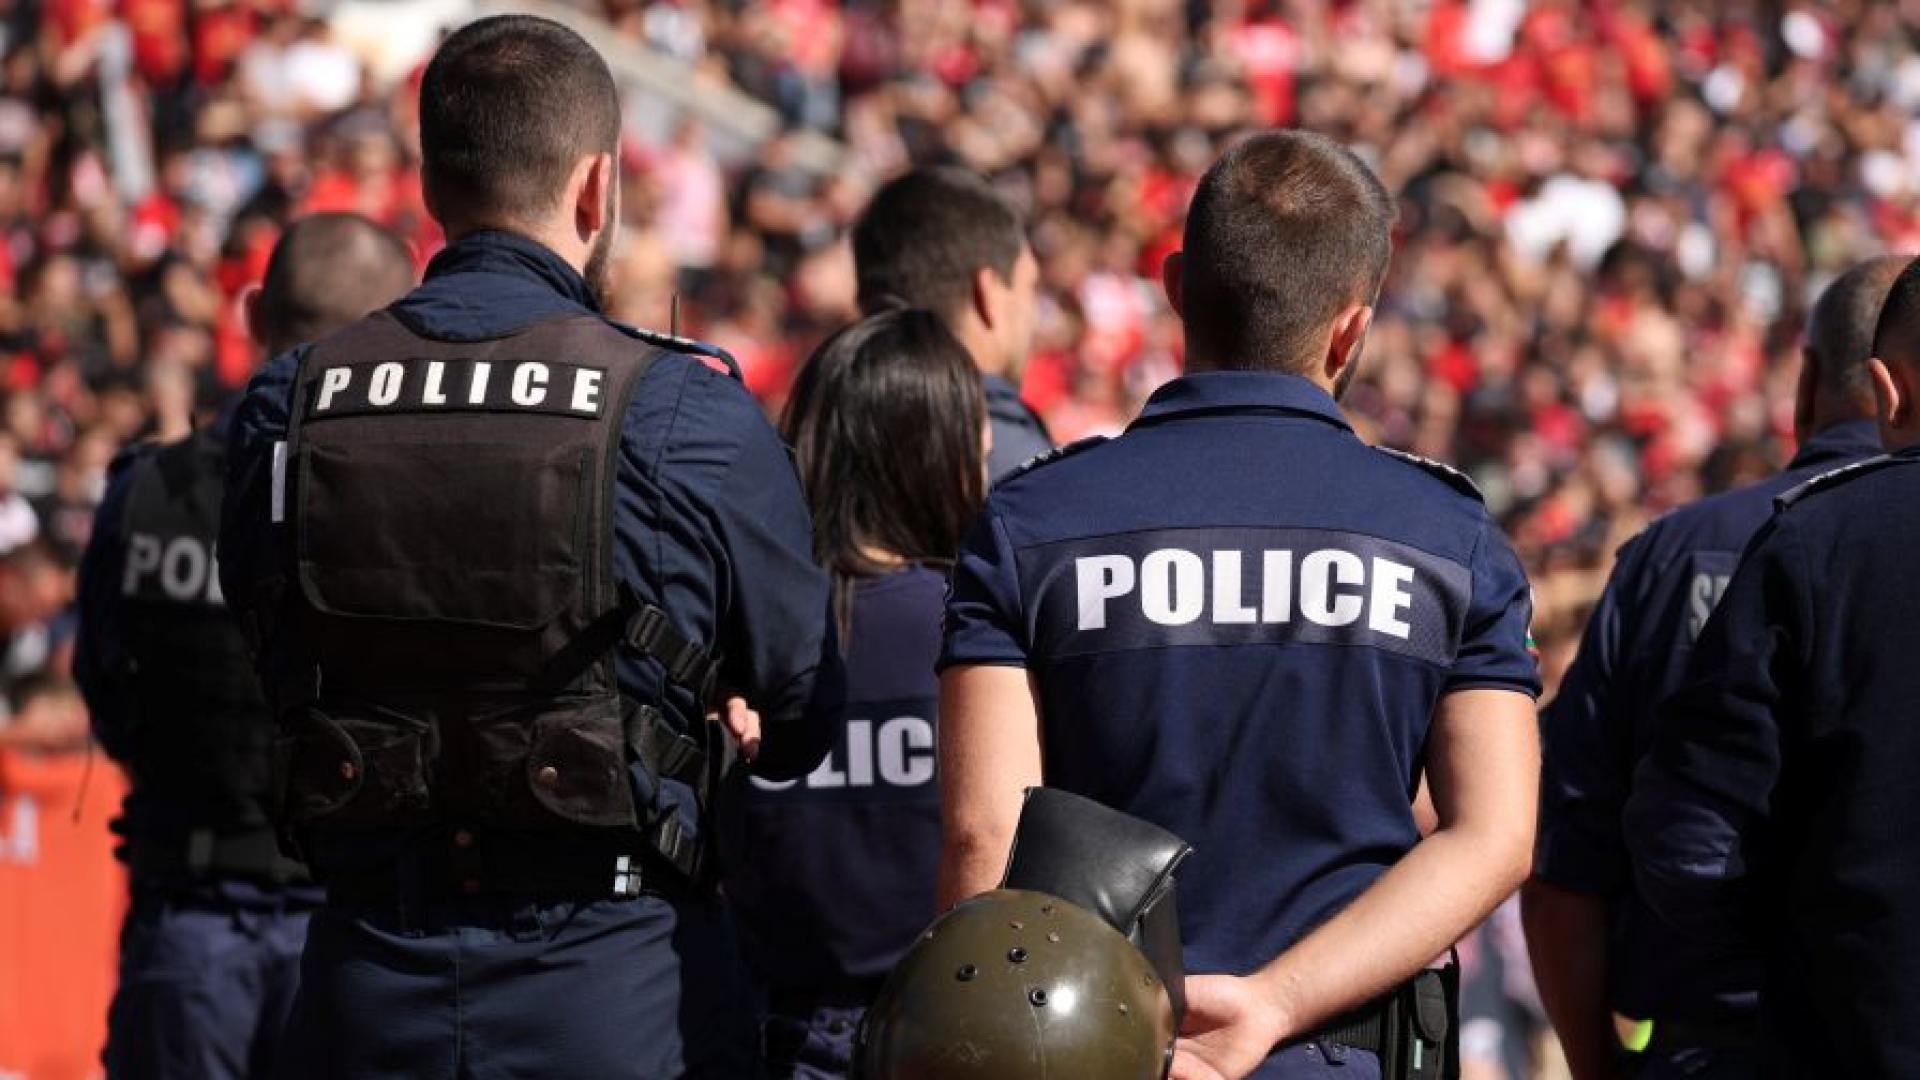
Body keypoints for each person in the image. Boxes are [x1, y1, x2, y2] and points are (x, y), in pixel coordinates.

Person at [219, 15, 840, 1078]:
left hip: (367, 978)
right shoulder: (682, 405)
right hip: (618, 990)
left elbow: (265, 643)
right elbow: (802, 710)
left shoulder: (291, 402)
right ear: (597, 188)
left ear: (430, 185)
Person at [937, 129, 1541, 1080]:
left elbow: (987, 838)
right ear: (1351, 329)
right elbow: (1495, 836)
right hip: (1338, 1054)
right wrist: (1275, 1002)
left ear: (1178, 289)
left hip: (1093, 1052)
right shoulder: (1447, 535)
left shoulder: (1031, 519)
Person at [1523, 256, 1904, 1080]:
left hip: (1709, 1045)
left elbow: (1563, 870)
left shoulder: (1676, 555)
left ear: (1806, 383)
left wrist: (1598, 1066)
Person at [75, 212, 415, 1080]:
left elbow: (105, 688)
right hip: (357, 938)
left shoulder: (147, 493)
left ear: (253, 312)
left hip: (191, 925)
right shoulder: (420, 514)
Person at [718, 308, 986, 1079]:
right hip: (943, 1038)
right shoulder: (974, 632)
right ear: (938, 451)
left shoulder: (739, 629)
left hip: (764, 1035)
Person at [850, 167, 1050, 481]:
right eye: (1030, 288)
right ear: (988, 295)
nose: (1033, 319)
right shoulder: (1026, 472)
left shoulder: (812, 438)